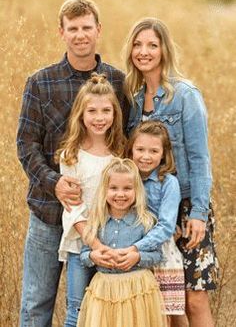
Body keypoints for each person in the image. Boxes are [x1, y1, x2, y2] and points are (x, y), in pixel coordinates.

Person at [16, 0, 129, 327]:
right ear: (61, 33)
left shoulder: (118, 82)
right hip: (48, 214)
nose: (81, 35)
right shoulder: (40, 82)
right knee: (36, 303)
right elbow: (26, 144)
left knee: (93, 311)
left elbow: (128, 141)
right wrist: (55, 182)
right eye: (73, 28)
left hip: (102, 222)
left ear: (98, 30)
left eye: (87, 28)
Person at [124, 17, 218, 327]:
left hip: (188, 206)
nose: (144, 52)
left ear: (164, 50)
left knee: (194, 296)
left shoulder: (185, 95)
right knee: (166, 299)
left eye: (152, 45)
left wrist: (199, 214)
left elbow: (199, 157)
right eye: (138, 45)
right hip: (150, 207)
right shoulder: (134, 102)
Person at [55, 72, 126, 326]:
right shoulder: (71, 155)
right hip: (82, 244)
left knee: (110, 311)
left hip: (117, 243)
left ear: (115, 114)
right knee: (77, 308)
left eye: (106, 111)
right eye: (92, 111)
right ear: (80, 115)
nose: (99, 118)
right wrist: (95, 245)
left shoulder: (120, 153)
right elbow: (72, 209)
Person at [77, 158, 167, 327]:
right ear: (105, 190)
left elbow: (157, 255)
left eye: (127, 188)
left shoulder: (145, 221)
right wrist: (93, 256)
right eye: (113, 188)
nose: (120, 194)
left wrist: (137, 257)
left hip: (137, 289)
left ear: (136, 190)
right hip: (105, 290)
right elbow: (83, 254)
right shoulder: (96, 221)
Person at [126, 120, 185, 324]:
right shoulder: (127, 179)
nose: (145, 156)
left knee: (167, 315)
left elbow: (167, 226)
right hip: (131, 250)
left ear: (163, 154)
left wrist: (137, 248)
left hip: (161, 253)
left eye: (153, 151)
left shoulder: (168, 182)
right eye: (140, 149)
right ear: (131, 149)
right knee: (142, 314)